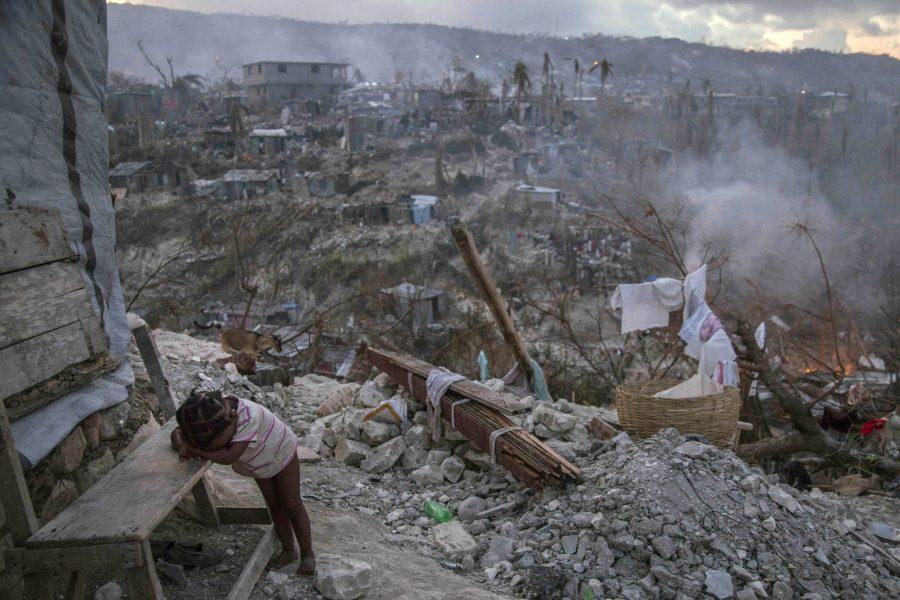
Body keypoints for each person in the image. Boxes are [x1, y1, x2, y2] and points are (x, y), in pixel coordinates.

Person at [171, 388, 315, 575]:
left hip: (281, 452)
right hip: (257, 462)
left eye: (222, 441)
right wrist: (182, 444)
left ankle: (307, 554)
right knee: (274, 505)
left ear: (233, 417)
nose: (219, 445)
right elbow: (176, 432)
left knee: (292, 504)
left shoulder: (249, 418)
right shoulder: (208, 417)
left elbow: (228, 456)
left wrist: (197, 450)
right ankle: (289, 550)